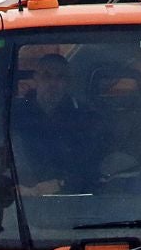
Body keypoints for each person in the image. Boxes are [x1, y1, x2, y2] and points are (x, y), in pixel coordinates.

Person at [8, 52, 103, 194]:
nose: (53, 83)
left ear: (68, 82)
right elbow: (0, 158)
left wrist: (62, 183)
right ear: (36, 78)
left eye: (61, 77)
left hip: (75, 197)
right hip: (20, 200)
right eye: (47, 76)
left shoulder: (84, 116)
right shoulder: (13, 115)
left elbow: (92, 164)